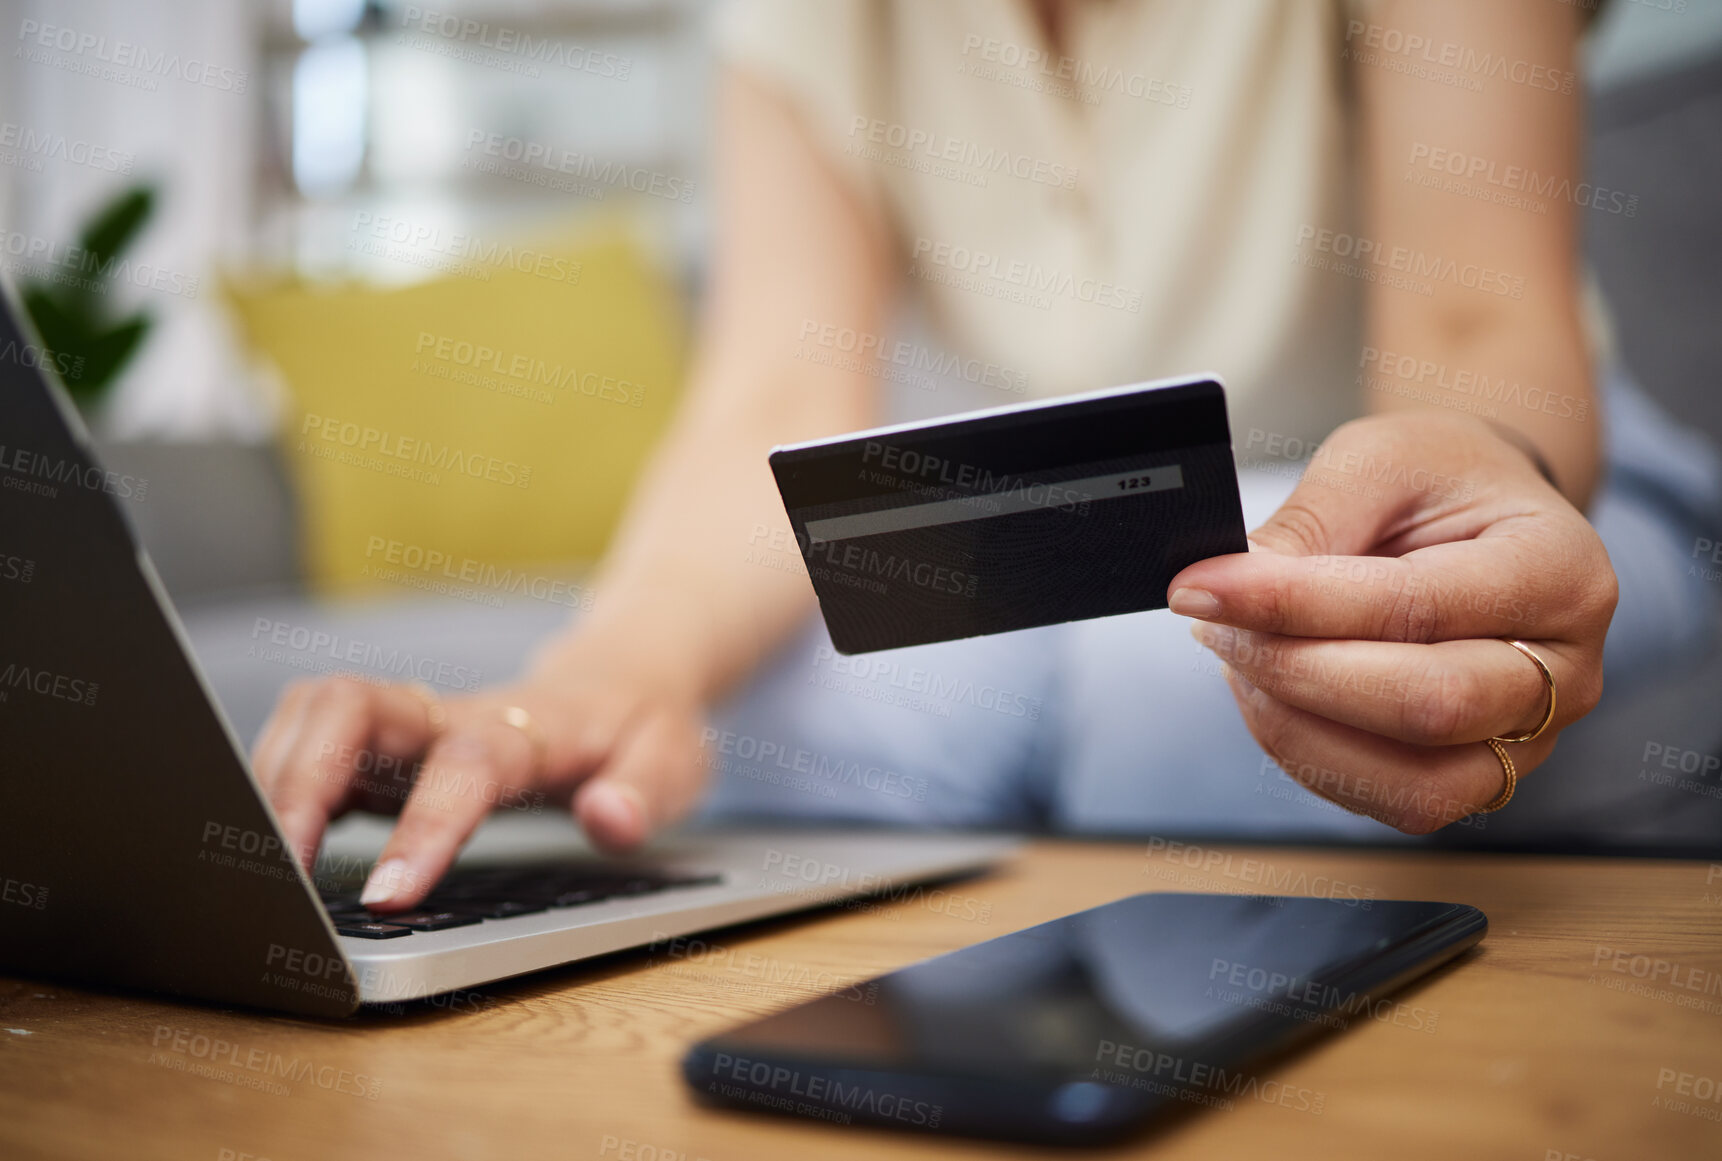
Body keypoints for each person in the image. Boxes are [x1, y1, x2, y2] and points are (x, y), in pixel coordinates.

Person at [252, 0, 1716, 911]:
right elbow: (778, 389)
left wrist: (1487, 469)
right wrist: (589, 679)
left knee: (1156, 662)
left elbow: (1473, 312)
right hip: (1060, 561)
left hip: (1494, 488)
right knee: (815, 680)